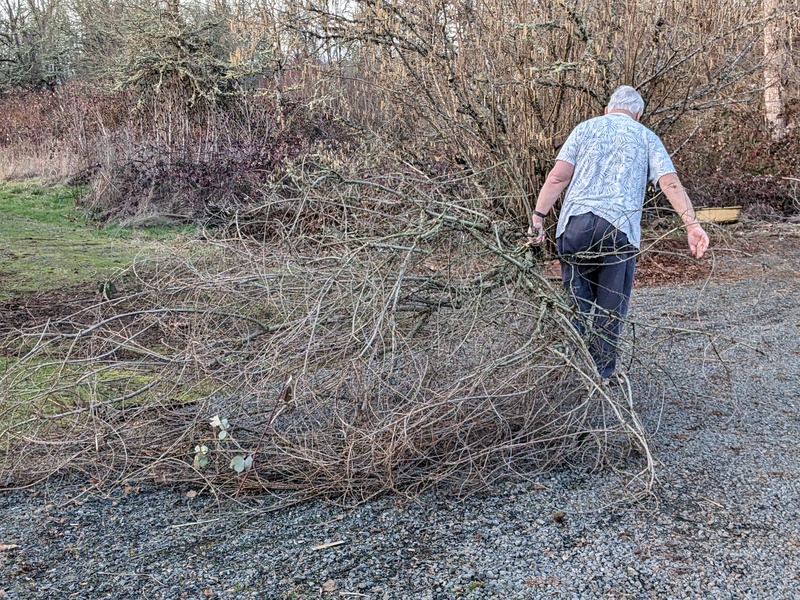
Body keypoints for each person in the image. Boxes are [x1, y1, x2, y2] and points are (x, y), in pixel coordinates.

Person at [528, 85, 710, 379]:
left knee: (575, 302)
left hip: (574, 227)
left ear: (607, 110)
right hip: (617, 230)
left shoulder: (584, 129)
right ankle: (600, 374)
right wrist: (692, 225)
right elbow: (671, 184)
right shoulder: (646, 137)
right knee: (610, 309)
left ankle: (567, 368)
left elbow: (558, 177)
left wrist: (538, 217)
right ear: (637, 114)